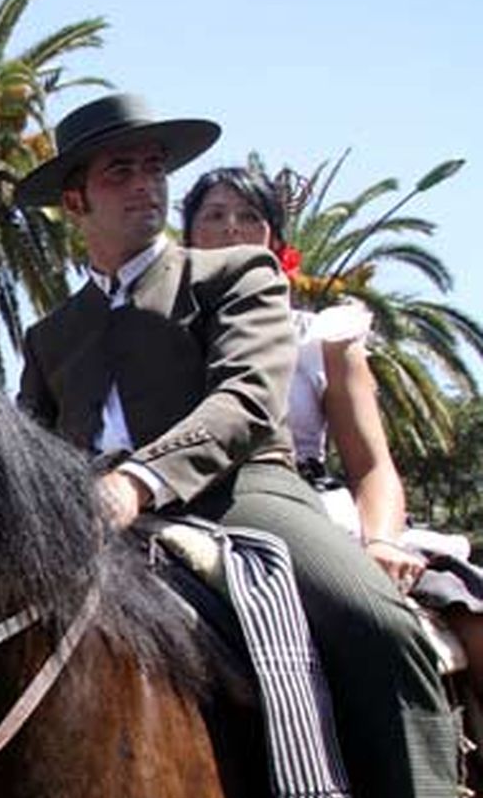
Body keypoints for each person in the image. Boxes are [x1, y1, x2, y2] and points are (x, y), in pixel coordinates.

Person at [15, 93, 480, 798]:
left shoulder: (233, 275)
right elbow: (28, 447)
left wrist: (136, 483)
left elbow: (239, 403)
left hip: (240, 501)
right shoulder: (48, 334)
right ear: (73, 203)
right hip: (83, 532)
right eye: (119, 172)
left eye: (153, 169)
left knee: (380, 630)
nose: (145, 185)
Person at [182, 165, 483, 704]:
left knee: (463, 624)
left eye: (250, 217)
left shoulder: (322, 338)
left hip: (305, 508)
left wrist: (382, 542)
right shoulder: (153, 335)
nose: (231, 228)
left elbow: (371, 465)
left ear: (276, 242)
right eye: (214, 216)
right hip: (186, 503)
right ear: (186, 240)